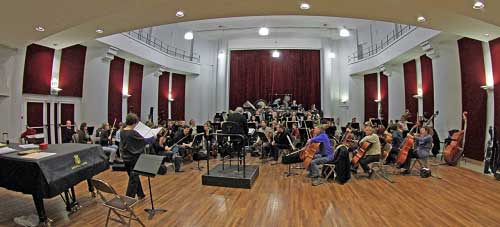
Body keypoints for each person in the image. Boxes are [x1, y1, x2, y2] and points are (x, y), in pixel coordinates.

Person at [120, 113, 154, 199]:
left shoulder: (122, 131)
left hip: (125, 158)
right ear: (134, 122)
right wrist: (153, 136)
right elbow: (144, 141)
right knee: (133, 179)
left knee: (133, 176)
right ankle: (128, 199)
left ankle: (140, 194)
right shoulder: (132, 133)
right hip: (134, 158)